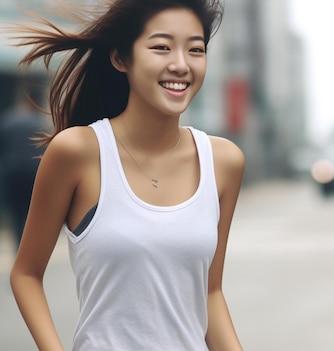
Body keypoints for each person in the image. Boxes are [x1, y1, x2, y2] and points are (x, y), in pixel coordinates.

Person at [9, 1, 245, 350]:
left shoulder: (223, 161)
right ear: (121, 59)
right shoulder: (77, 151)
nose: (181, 64)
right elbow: (26, 274)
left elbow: (210, 292)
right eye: (161, 47)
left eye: (195, 49)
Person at [0, 87, 48, 249]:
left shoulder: (8, 120)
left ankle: (18, 246)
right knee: (31, 211)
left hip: (11, 172)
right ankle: (28, 248)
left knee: (15, 213)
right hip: (33, 172)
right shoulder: (39, 123)